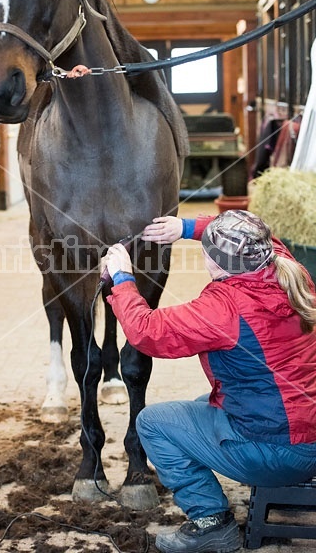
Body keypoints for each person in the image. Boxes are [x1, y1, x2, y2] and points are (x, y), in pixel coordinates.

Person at [102, 210, 316, 553]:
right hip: (306, 430)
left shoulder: (225, 307)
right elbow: (259, 234)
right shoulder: (287, 268)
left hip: (279, 454)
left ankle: (211, 523)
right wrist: (184, 227)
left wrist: (123, 278)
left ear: (214, 262)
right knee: (203, 405)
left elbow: (146, 332)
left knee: (155, 423)